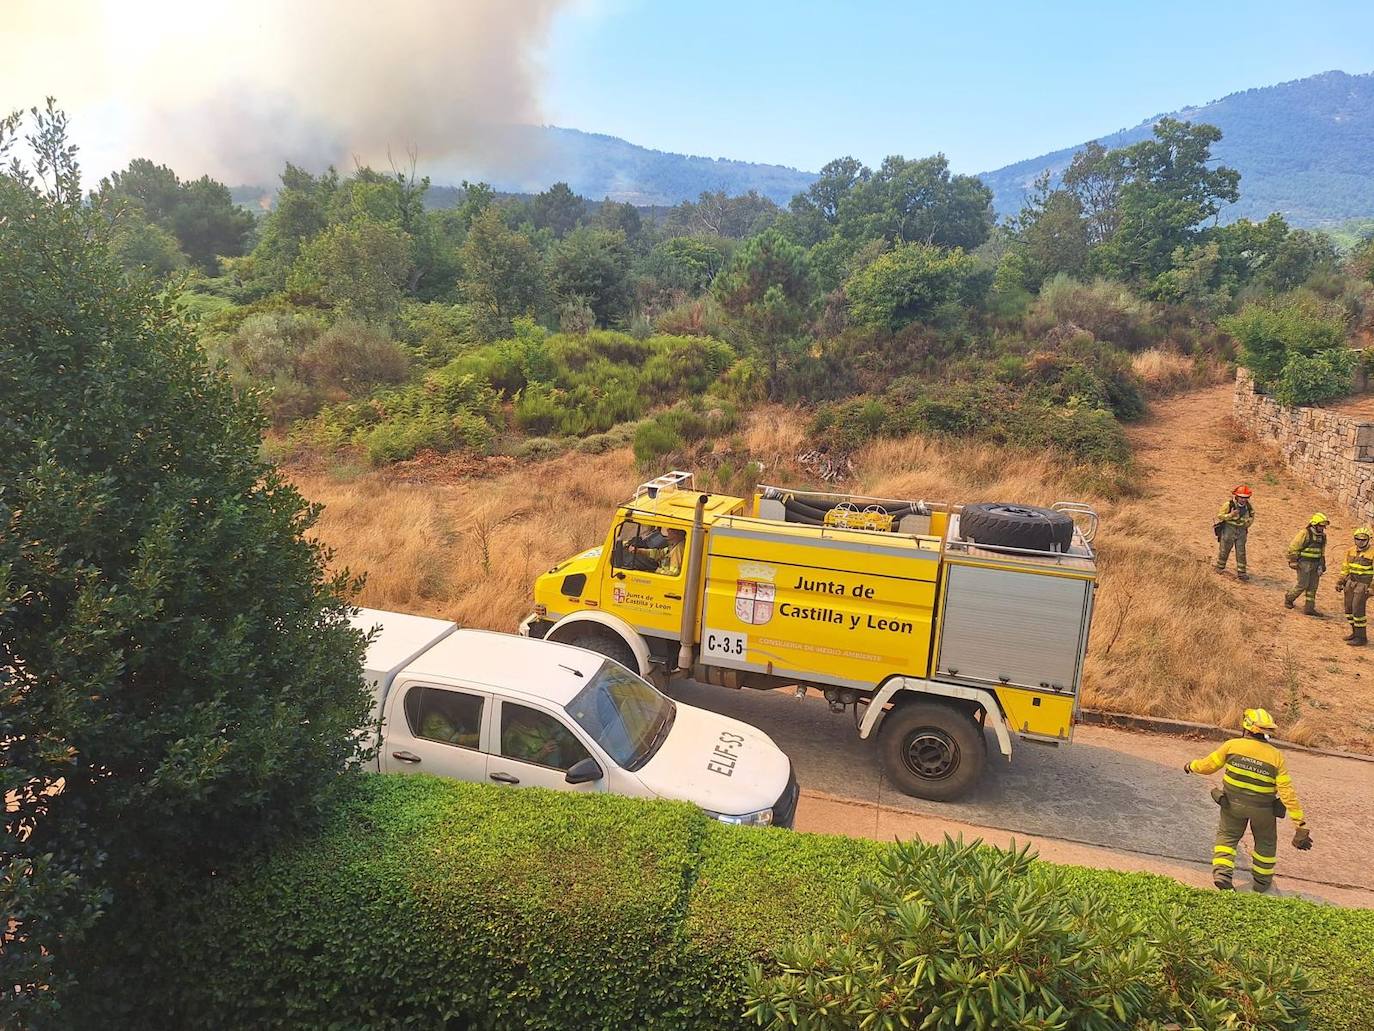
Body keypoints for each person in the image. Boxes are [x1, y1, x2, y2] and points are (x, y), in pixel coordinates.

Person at [1184, 707, 1311, 893]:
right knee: (1266, 843)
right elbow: (1287, 793)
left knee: (1227, 837)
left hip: (1232, 805)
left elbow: (1208, 765)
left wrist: (1191, 766)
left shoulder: (1232, 745)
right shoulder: (1276, 756)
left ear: (1246, 727)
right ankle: (1261, 883)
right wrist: (1300, 825)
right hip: (1264, 811)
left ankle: (1222, 874)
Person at [1335, 526, 1374, 647]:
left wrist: (1372, 587)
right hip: (1350, 583)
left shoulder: (1372, 553)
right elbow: (1345, 567)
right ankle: (1354, 632)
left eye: (1363, 539)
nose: (1360, 542)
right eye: (1357, 539)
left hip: (1363, 585)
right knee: (1349, 609)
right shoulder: (1350, 551)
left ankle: (1361, 637)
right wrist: (1340, 581)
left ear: (1369, 539)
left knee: (1358, 610)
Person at [1283, 513, 1329, 615]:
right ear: (1314, 524)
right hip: (1304, 563)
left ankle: (1309, 608)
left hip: (1316, 564)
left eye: (1324, 526)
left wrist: (1322, 564)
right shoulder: (1305, 533)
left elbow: (1322, 551)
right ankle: (1289, 598)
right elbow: (1293, 547)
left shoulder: (1323, 537)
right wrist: (1293, 561)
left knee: (1313, 587)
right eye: (1321, 526)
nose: (1322, 528)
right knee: (1302, 584)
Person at [1214, 485, 1255, 581]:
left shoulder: (1248, 507)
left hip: (1241, 531)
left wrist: (1247, 523)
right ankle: (1220, 567)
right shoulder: (1229, 505)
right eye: (1241, 497)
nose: (1243, 500)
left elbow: (1252, 516)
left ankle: (1242, 572)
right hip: (1229, 529)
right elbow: (1220, 515)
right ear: (1236, 496)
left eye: (1245, 498)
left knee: (1241, 552)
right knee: (1225, 548)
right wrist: (1231, 515)